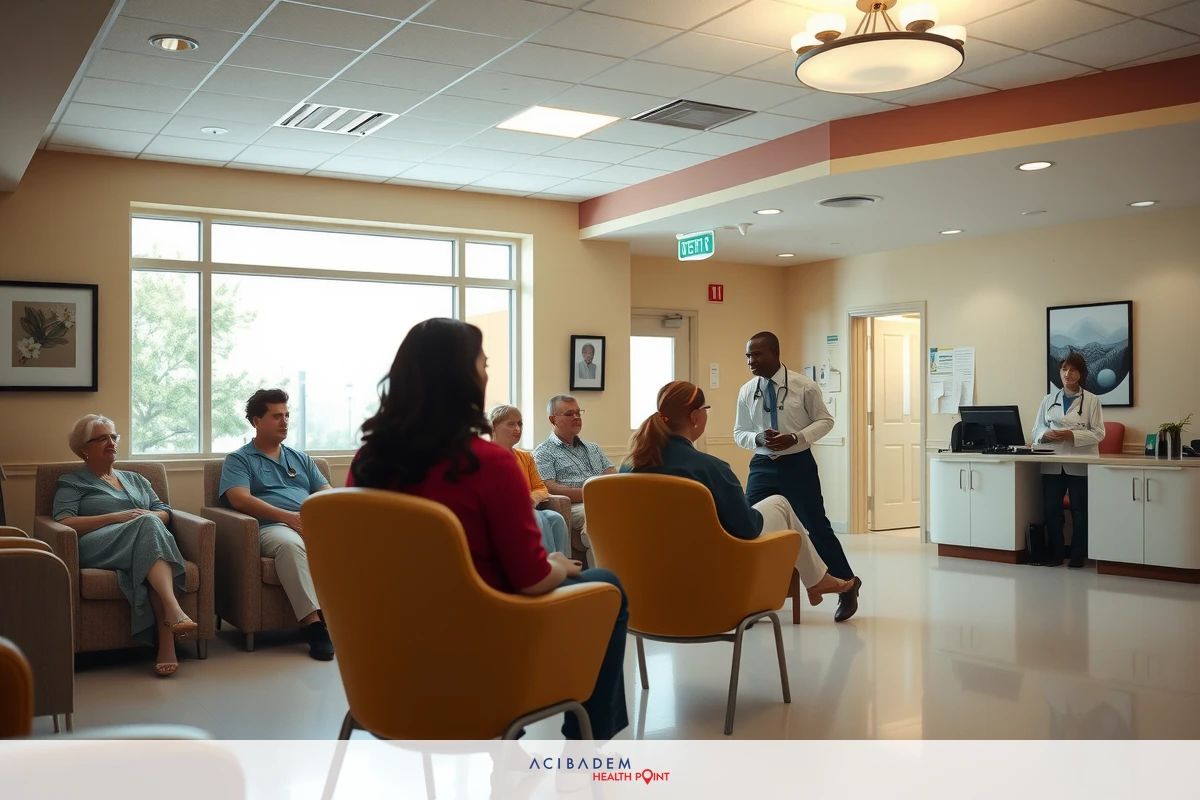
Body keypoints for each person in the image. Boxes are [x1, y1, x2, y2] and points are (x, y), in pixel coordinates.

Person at [346, 318, 628, 742]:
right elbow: (531, 581)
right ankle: (583, 753)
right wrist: (557, 564)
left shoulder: (367, 461)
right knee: (607, 585)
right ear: (464, 378)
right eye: (484, 365)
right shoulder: (489, 464)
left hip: (389, 656)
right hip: (482, 641)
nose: (486, 374)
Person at [625, 381, 856, 606]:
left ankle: (817, 580)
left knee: (773, 507)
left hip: (650, 569)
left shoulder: (629, 467)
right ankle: (817, 580)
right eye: (706, 409)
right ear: (695, 417)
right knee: (780, 504)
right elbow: (747, 528)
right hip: (713, 563)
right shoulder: (710, 469)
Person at [53, 414, 195, 677]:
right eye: (101, 438)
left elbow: (163, 511)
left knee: (150, 538)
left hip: (143, 541)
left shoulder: (136, 478)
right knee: (149, 528)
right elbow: (64, 520)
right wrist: (115, 517)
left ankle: (167, 641)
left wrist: (149, 515)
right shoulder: (73, 481)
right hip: (99, 544)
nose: (111, 442)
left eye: (113, 436)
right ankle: (173, 609)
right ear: (84, 448)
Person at [735, 331, 862, 622]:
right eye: (748, 356)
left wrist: (796, 437)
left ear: (775, 353)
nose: (751, 361)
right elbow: (739, 432)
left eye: (757, 354)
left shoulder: (804, 386)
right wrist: (757, 438)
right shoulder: (747, 391)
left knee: (816, 527)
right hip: (762, 465)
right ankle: (752, 597)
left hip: (798, 464)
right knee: (749, 526)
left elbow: (826, 421)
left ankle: (847, 585)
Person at [218, 389, 334, 660]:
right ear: (256, 421)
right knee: (290, 546)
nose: (284, 422)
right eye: (276, 416)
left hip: (309, 523)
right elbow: (239, 499)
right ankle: (314, 626)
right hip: (271, 527)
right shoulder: (239, 459)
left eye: (287, 415)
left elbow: (326, 493)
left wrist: (323, 518)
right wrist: (289, 517)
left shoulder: (301, 458)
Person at [1031, 352, 1106, 568]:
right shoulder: (1048, 400)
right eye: (1064, 369)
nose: (1067, 374)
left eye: (1073, 370)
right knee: (1052, 508)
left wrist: (1071, 435)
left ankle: (1078, 554)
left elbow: (1099, 433)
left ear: (1081, 374)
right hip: (1053, 461)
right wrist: (1045, 434)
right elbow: (1036, 430)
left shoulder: (1092, 400)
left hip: (1079, 461)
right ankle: (1056, 553)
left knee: (1079, 510)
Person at [533, 395, 617, 565]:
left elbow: (613, 476)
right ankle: (599, 577)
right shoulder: (543, 452)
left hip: (604, 500)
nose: (576, 417)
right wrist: (592, 494)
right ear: (553, 420)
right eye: (569, 414)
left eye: (578, 413)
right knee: (601, 518)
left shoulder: (593, 448)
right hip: (576, 505)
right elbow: (550, 487)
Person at [488, 404, 569, 556]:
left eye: (520, 424)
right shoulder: (486, 456)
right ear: (493, 426)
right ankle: (547, 565)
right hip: (506, 512)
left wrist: (532, 499)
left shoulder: (525, 457)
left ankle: (564, 563)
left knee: (557, 519)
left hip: (529, 507)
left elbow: (540, 487)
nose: (517, 429)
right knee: (534, 518)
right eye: (511, 424)